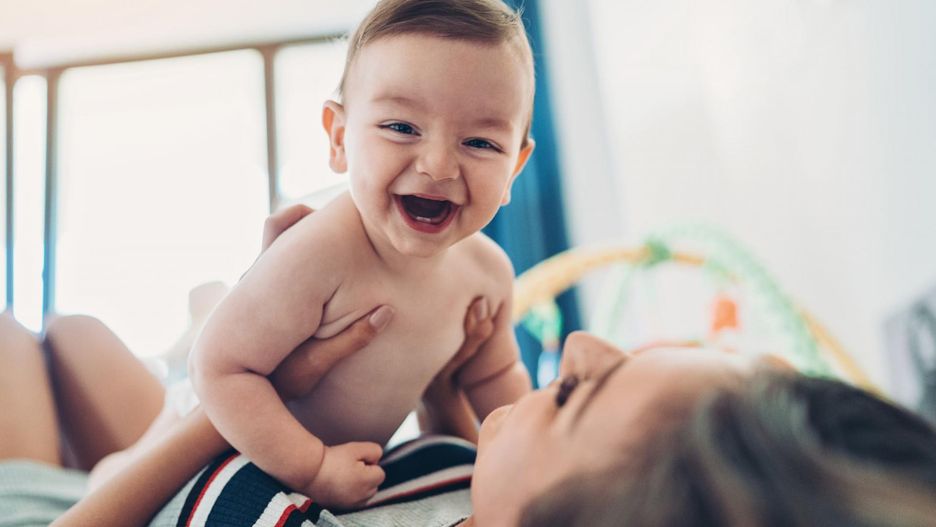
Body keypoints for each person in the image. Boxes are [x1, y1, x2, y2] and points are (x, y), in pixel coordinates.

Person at [190, 0, 537, 509]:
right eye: (401, 127)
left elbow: (493, 377)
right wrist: (310, 463)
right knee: (117, 466)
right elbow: (219, 368)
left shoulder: (487, 275)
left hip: (340, 466)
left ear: (515, 167)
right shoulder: (318, 253)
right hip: (231, 442)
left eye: (480, 142)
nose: (438, 166)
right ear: (339, 138)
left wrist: (536, 457)